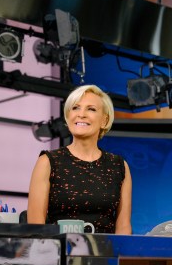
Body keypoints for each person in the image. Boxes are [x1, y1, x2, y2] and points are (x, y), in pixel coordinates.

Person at [27, 84, 132, 234]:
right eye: (75, 108)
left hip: (106, 248)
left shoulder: (119, 166)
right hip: (59, 248)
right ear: (68, 116)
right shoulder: (48, 162)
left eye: (91, 109)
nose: (81, 114)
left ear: (104, 120)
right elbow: (36, 227)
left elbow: (123, 227)